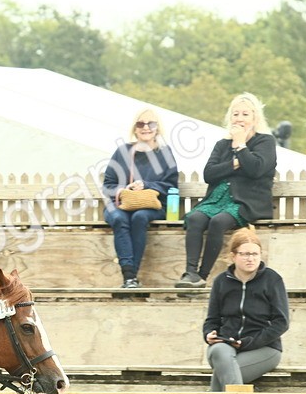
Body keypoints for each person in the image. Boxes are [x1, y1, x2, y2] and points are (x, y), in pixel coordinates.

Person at [201, 229, 288, 394]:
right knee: (220, 353)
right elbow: (211, 320)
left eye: (255, 254)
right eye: (245, 254)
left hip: (264, 350)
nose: (250, 259)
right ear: (233, 256)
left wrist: (248, 343)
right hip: (225, 347)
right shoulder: (221, 282)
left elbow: (281, 323)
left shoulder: (272, 280)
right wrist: (209, 334)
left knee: (221, 380)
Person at [177, 93, 277, 287]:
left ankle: (202, 276)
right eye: (235, 114)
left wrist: (240, 145)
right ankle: (190, 274)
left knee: (218, 221)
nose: (239, 118)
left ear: (255, 118)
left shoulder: (265, 142)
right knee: (195, 218)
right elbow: (209, 173)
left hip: (245, 200)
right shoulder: (221, 145)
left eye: (245, 114)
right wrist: (236, 163)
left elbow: (256, 169)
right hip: (217, 198)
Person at [101, 107, 179, 288]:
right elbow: (108, 185)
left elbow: (172, 186)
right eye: (140, 123)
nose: (146, 127)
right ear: (134, 128)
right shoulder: (122, 152)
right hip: (120, 204)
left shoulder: (164, 153)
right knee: (119, 218)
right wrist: (125, 189)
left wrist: (147, 185)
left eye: (151, 123)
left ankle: (130, 278)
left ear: (157, 128)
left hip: (152, 206)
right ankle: (130, 277)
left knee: (140, 217)